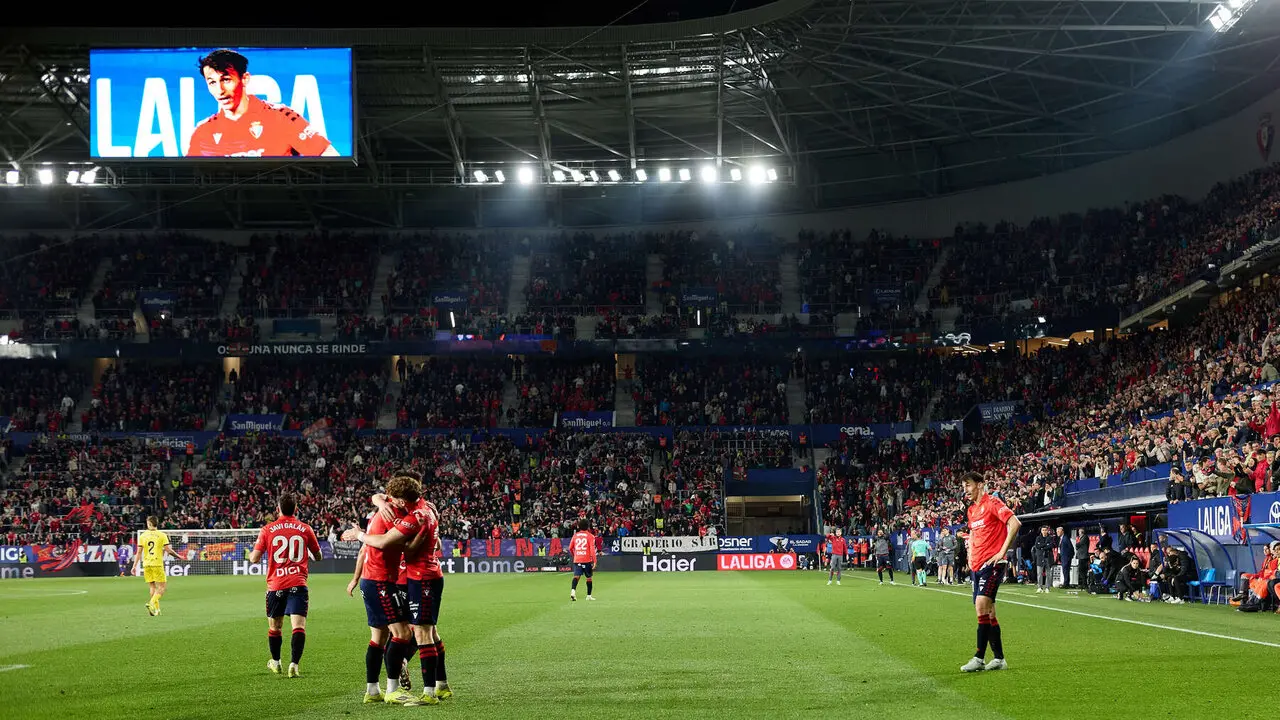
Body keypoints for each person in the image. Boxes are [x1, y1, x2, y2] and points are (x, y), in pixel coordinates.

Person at [361, 476, 453, 704]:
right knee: (422, 632)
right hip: (398, 578)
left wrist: (359, 535)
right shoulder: (427, 506)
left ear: (401, 501)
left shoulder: (413, 518)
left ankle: (422, 692)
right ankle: (438, 685)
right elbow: (378, 497)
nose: (388, 500)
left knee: (415, 633)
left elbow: (387, 545)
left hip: (416, 577)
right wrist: (381, 502)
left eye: (392, 498)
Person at [340, 475, 422, 706]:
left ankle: (372, 690)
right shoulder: (395, 514)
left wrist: (379, 501)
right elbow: (385, 543)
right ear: (399, 501)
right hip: (380, 582)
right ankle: (393, 690)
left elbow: (377, 497)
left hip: (372, 580)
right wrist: (359, 535)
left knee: (379, 637)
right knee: (403, 633)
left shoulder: (386, 505)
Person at [186, 49, 339, 157]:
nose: (219, 90)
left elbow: (330, 157)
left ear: (244, 79)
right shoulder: (202, 132)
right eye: (212, 82)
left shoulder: (282, 117)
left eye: (226, 80)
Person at [247, 493, 322, 677]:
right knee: (298, 626)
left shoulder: (267, 529)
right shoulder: (305, 528)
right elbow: (318, 556)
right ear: (296, 509)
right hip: (298, 582)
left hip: (276, 584)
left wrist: (251, 554)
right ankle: (294, 665)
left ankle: (276, 662)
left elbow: (254, 559)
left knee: (275, 627)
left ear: (277, 509)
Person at [959, 472, 1021, 673]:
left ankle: (978, 657)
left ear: (980, 484)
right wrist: (970, 556)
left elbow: (1015, 523)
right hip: (977, 566)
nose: (965, 490)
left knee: (980, 607)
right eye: (964, 486)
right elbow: (974, 533)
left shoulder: (993, 503)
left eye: (968, 485)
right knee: (990, 612)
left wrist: (1002, 552)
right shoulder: (971, 510)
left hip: (992, 564)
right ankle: (1000, 659)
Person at [132, 516, 182, 616]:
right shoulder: (162, 535)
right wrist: (178, 556)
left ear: (149, 523)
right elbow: (168, 550)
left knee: (152, 587)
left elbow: (138, 553)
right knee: (162, 587)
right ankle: (151, 603)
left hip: (146, 564)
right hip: (157, 564)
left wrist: (134, 566)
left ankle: (157, 610)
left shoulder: (143, 536)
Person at [569, 519, 597, 601]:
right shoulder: (591, 536)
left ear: (579, 526)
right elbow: (592, 550)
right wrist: (595, 561)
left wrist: (575, 555)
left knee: (576, 576)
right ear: (588, 526)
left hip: (577, 559)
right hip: (587, 559)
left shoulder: (575, 535)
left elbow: (570, 548)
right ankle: (588, 596)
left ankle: (573, 592)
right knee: (589, 578)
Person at [1032, 525, 1056, 594]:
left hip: (1048, 558)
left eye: (1045, 530)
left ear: (1047, 531)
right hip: (1040, 558)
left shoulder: (1050, 538)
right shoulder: (1038, 538)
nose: (1044, 531)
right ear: (1041, 531)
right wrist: (1045, 544)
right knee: (1039, 573)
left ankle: (1047, 588)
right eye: (1043, 530)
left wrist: (1042, 546)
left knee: (1048, 573)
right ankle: (1039, 587)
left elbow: (1051, 546)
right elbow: (1037, 546)